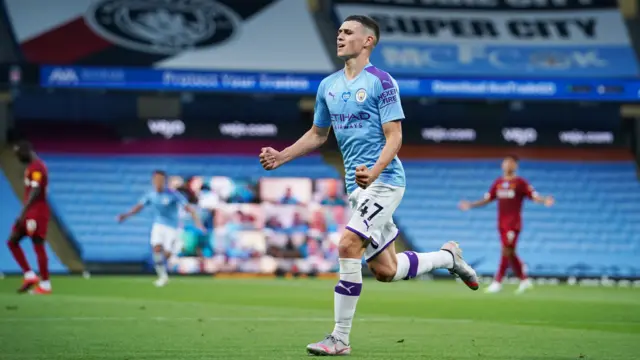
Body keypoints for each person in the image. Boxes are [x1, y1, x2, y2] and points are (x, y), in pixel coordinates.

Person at [259, 15, 479, 356]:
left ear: (368, 41)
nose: (340, 37)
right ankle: (448, 257)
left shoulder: (381, 81)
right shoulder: (328, 86)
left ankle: (339, 339)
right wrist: (282, 156)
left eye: (348, 32)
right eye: (339, 32)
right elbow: (318, 134)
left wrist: (375, 171)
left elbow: (395, 138)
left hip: (386, 181)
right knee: (386, 271)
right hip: (357, 187)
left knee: (348, 245)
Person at [459, 155, 554, 294]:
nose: (508, 165)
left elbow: (534, 195)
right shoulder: (498, 183)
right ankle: (524, 280)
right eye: (506, 162)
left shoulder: (520, 182)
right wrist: (471, 204)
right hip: (501, 224)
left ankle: (497, 282)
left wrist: (544, 200)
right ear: (502, 165)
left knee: (506, 250)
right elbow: (487, 199)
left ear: (515, 166)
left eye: (511, 163)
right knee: (510, 252)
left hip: (514, 224)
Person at [117, 170, 206, 287]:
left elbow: (189, 209)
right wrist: (126, 215)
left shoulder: (173, 194)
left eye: (161, 180)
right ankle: (162, 276)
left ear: (164, 181)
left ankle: (172, 253)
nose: (158, 182)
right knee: (156, 248)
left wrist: (198, 224)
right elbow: (139, 207)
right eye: (156, 180)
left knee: (167, 254)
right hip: (158, 225)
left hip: (172, 227)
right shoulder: (150, 195)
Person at [7, 141, 52, 295]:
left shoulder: (37, 167)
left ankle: (45, 284)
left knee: (37, 244)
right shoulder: (33, 167)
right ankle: (30, 275)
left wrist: (23, 212)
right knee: (12, 241)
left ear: (26, 151)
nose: (18, 158)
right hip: (29, 212)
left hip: (36, 213)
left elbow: (36, 190)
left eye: (18, 154)